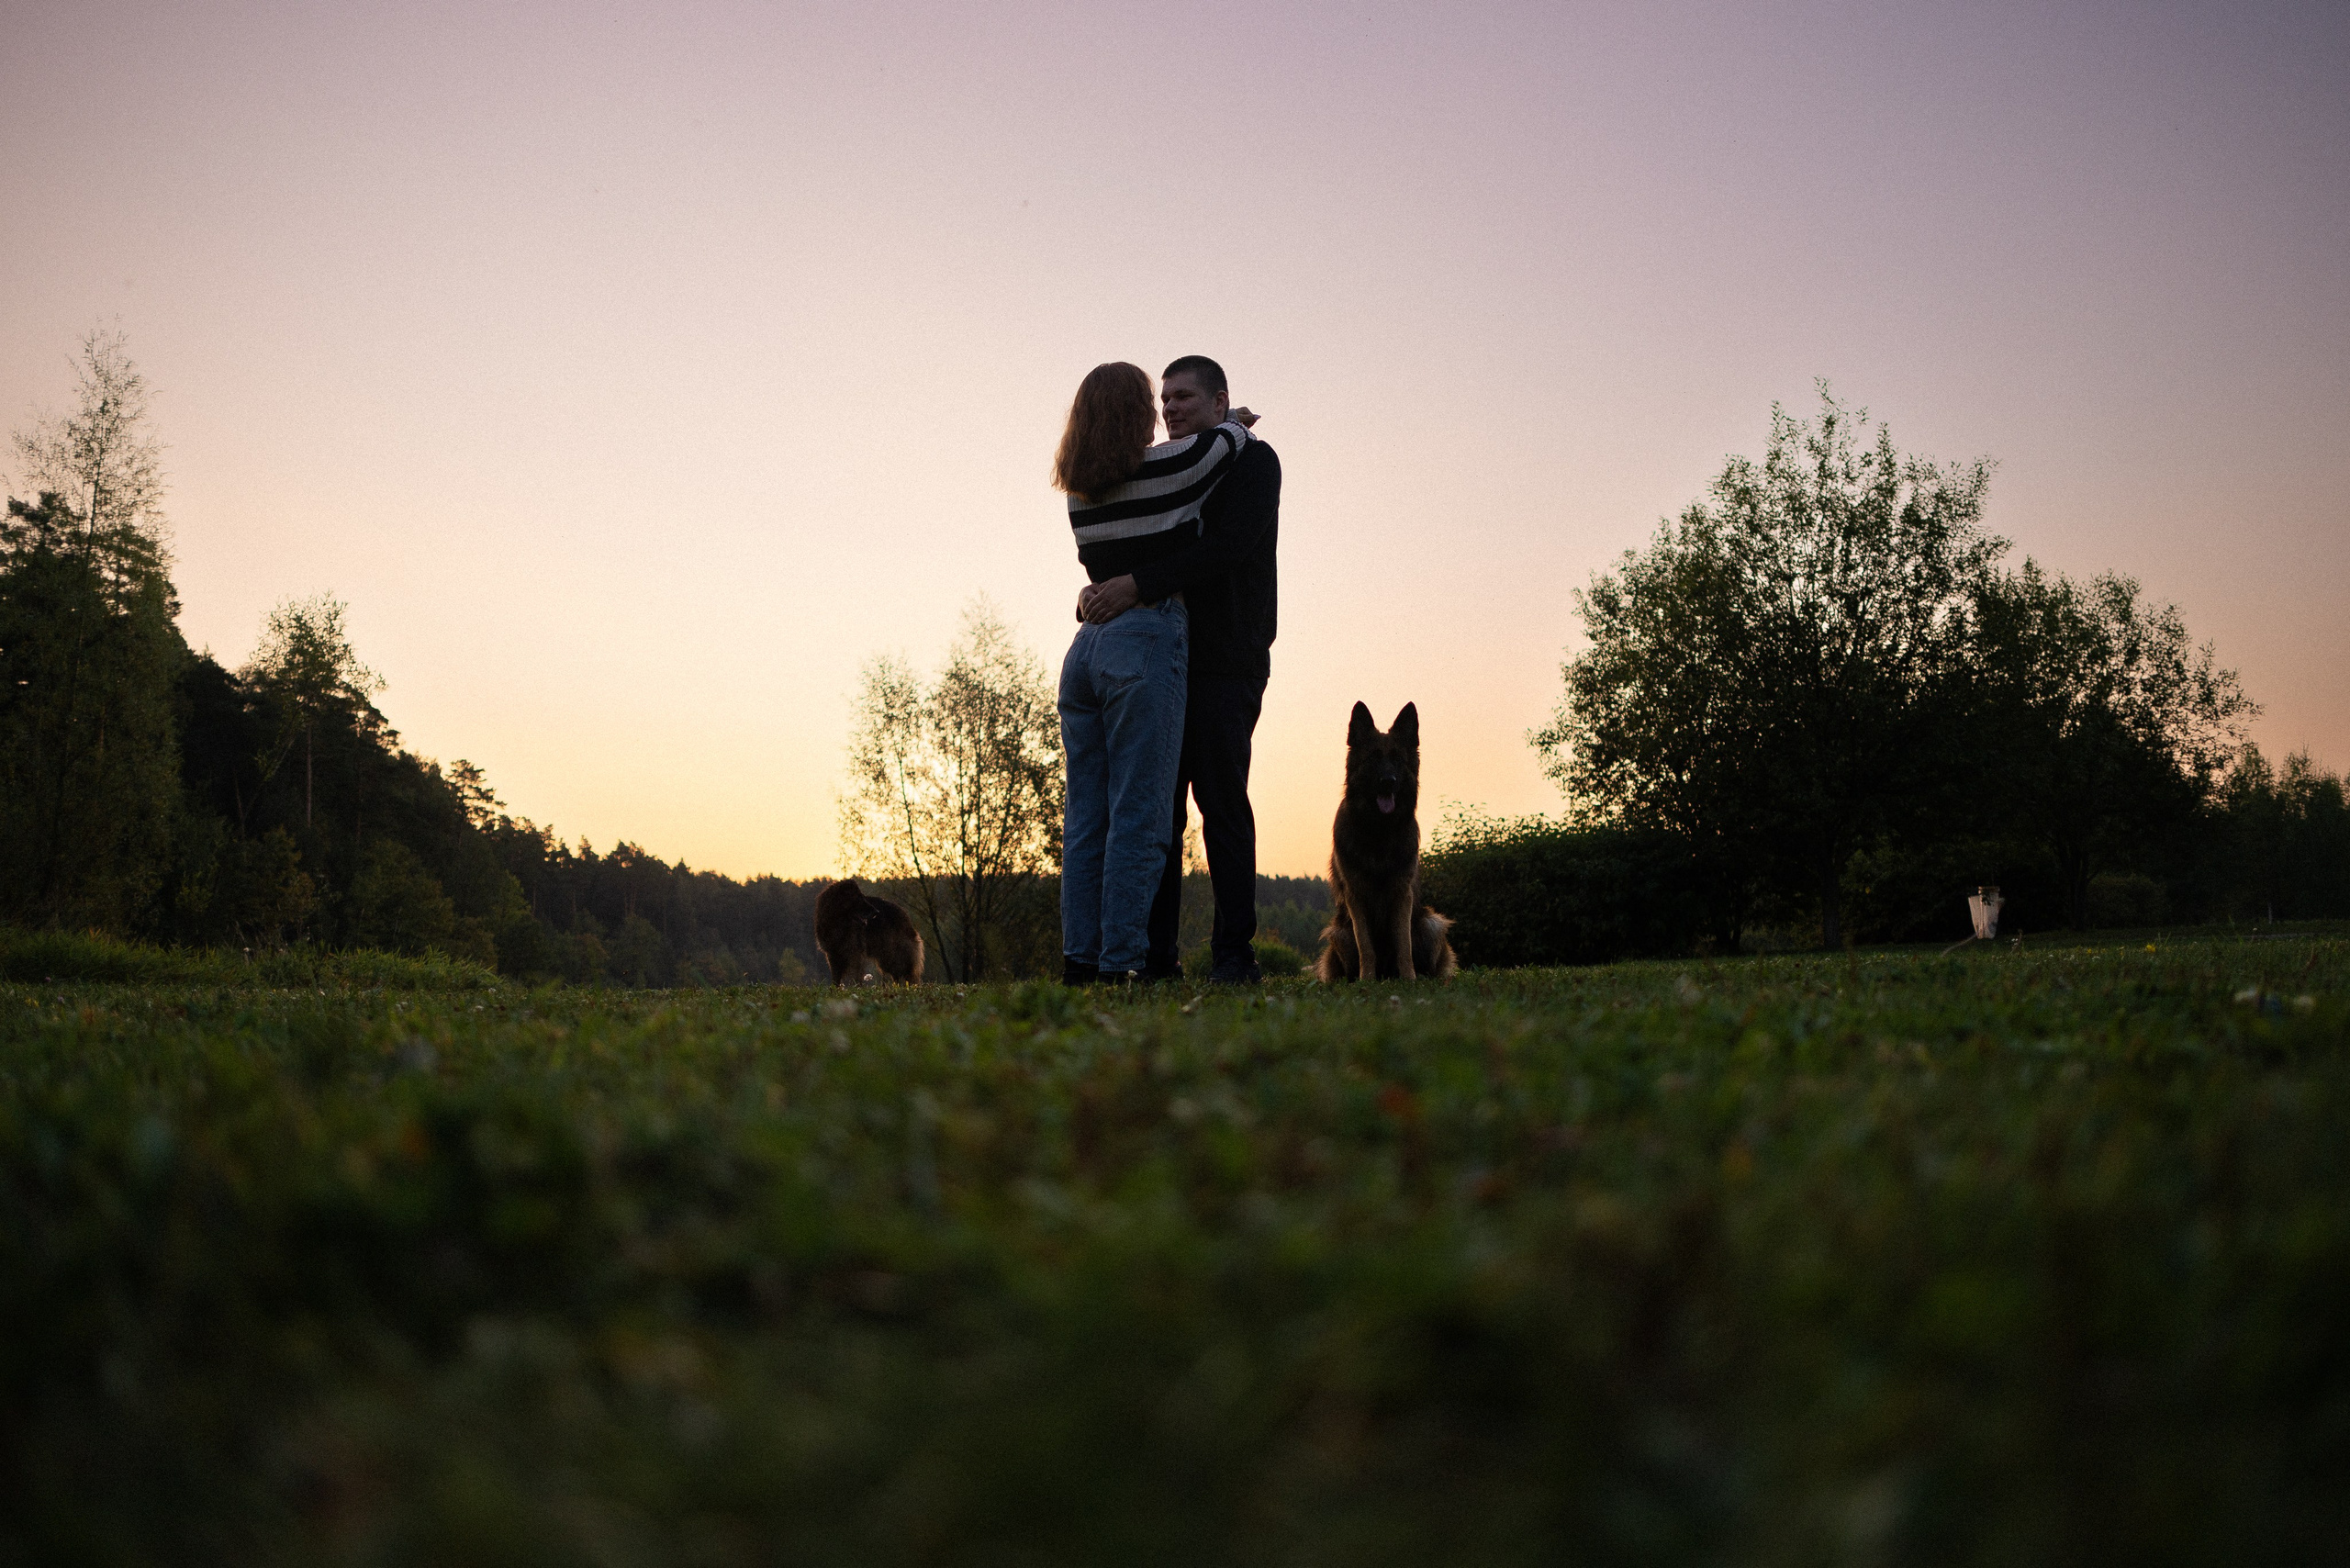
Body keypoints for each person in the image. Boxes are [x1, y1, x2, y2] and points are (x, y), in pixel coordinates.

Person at [1078, 355, 1281, 984]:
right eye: (1164, 399)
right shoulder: (1162, 467)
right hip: (1162, 657)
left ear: (1220, 402)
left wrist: (1134, 585)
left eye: (1184, 397)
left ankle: (1233, 954)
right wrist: (1107, 591)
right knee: (1155, 809)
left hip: (1226, 657)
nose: (1169, 408)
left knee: (1221, 801)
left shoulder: (1254, 462)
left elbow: (1224, 550)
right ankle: (1156, 957)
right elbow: (1129, 539)